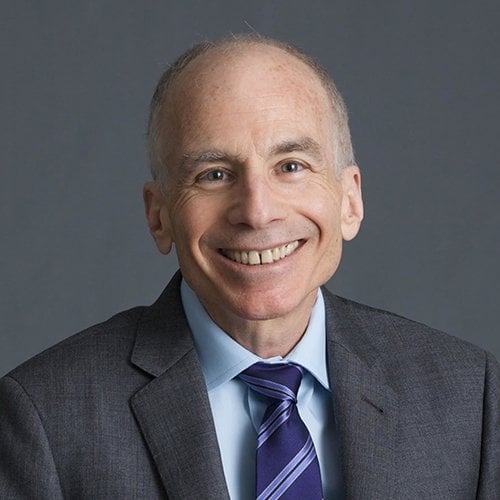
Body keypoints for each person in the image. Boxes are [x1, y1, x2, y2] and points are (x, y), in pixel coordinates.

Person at [0, 34, 498, 500]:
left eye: (291, 166)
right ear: (159, 216)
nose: (257, 211)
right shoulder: (45, 417)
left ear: (350, 200)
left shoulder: (469, 397)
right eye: (214, 174)